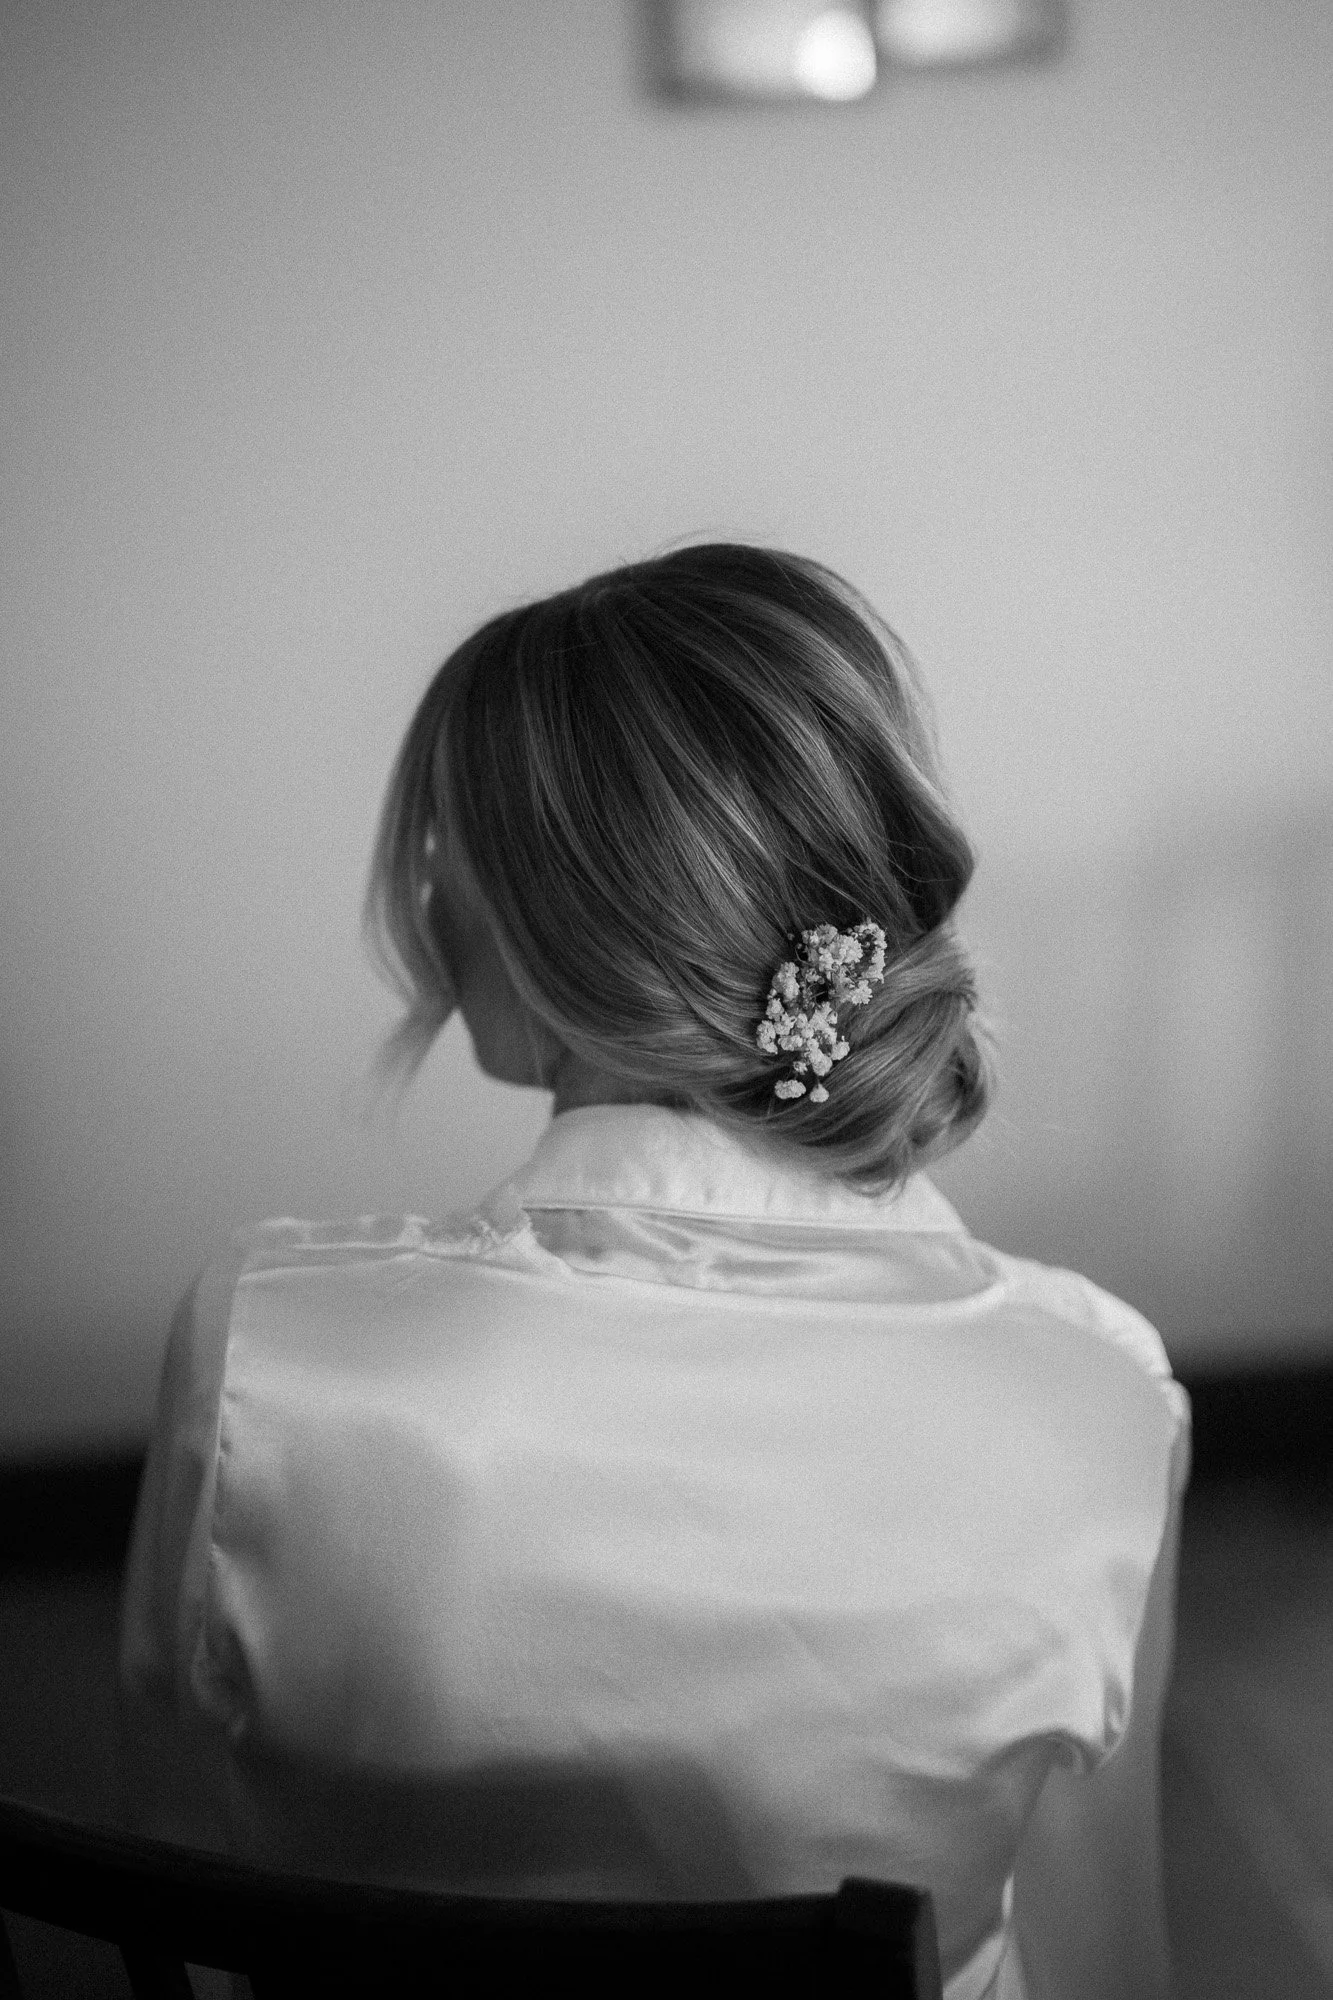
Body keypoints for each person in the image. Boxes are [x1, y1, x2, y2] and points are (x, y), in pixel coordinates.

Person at [119, 543, 1189, 2000]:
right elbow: (1110, 1961)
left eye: (452, 848)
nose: (428, 898)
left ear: (555, 931)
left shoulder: (265, 1359)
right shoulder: (1097, 1401)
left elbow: (187, 1893)